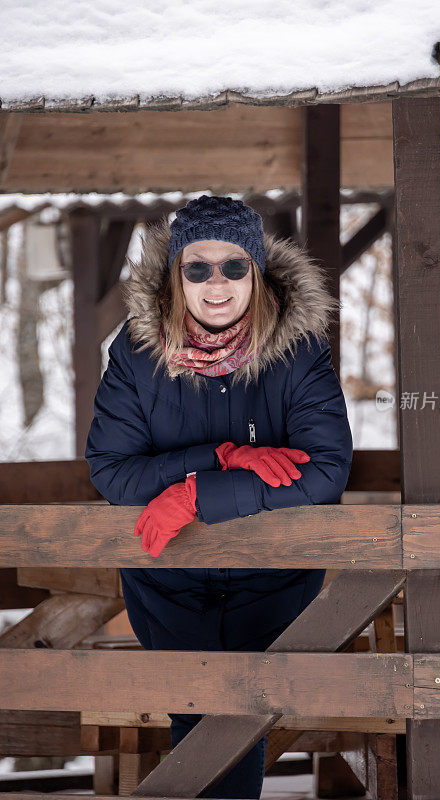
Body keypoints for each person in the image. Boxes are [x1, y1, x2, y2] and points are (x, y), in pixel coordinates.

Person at [84, 194, 353, 799]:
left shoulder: (299, 349)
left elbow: (327, 470)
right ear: (175, 274)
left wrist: (199, 495)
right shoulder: (134, 353)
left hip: (274, 573)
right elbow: (110, 471)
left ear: (255, 272)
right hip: (168, 576)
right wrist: (221, 457)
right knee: (194, 708)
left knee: (241, 708)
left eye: (233, 266)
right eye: (197, 267)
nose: (216, 284)